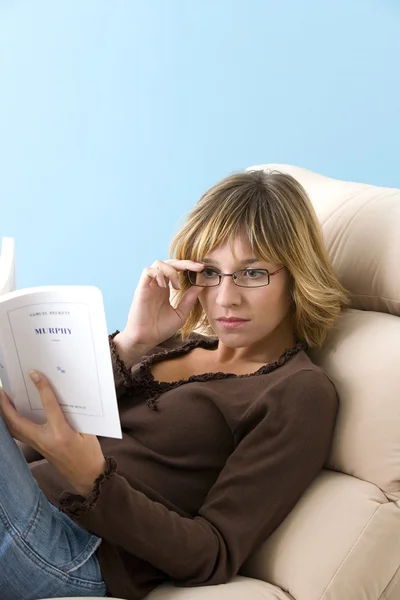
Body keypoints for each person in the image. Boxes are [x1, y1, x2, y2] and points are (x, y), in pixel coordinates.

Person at [0, 170, 348, 600]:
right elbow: (33, 441)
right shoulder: (173, 345)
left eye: (252, 273)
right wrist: (133, 341)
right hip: (22, 502)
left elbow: (213, 554)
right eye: (209, 272)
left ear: (296, 275)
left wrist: (93, 479)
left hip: (73, 553)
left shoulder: (297, 392)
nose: (225, 298)